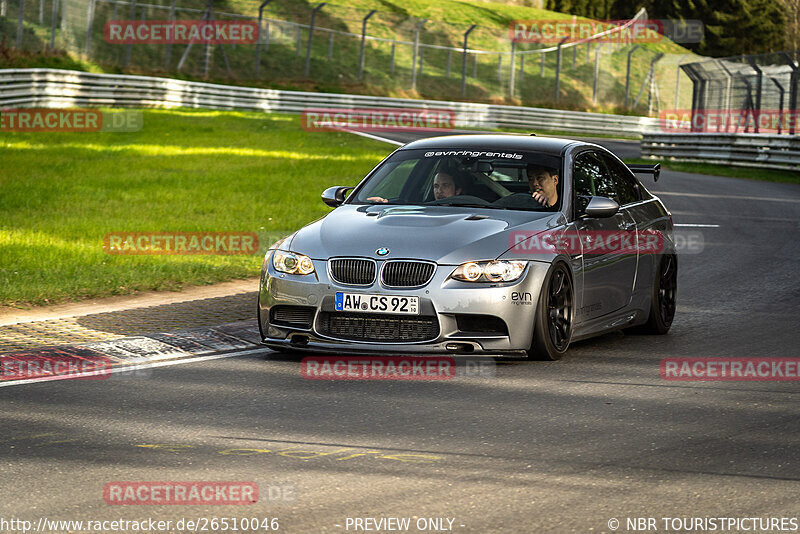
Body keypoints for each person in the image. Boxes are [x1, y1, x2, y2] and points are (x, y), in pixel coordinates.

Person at [367, 170, 464, 203]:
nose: (439, 191)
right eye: (436, 186)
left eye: (445, 185)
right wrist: (385, 202)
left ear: (458, 191)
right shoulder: (423, 206)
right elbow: (404, 203)